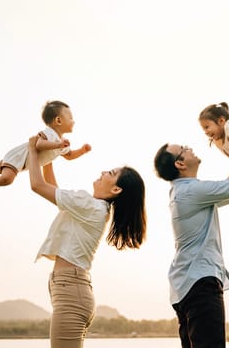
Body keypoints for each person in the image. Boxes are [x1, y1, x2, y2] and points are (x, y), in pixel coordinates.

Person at [28, 134, 147, 348]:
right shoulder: (94, 207)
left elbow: (37, 185)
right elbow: (53, 188)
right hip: (71, 289)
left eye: (110, 173)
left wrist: (32, 148)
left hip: (71, 291)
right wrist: (49, 157)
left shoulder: (91, 206)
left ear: (116, 189)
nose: (103, 172)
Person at [154, 143, 229, 348]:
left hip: (186, 285)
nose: (190, 147)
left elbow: (228, 191)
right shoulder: (192, 191)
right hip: (199, 283)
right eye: (184, 148)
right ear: (180, 163)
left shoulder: (185, 192)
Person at [0, 100, 92, 204]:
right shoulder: (50, 134)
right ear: (58, 120)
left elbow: (69, 156)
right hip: (20, 156)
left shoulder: (62, 142)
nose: (73, 121)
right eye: (70, 118)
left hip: (23, 162)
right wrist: (58, 144)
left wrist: (81, 151)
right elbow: (39, 144)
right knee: (7, 178)